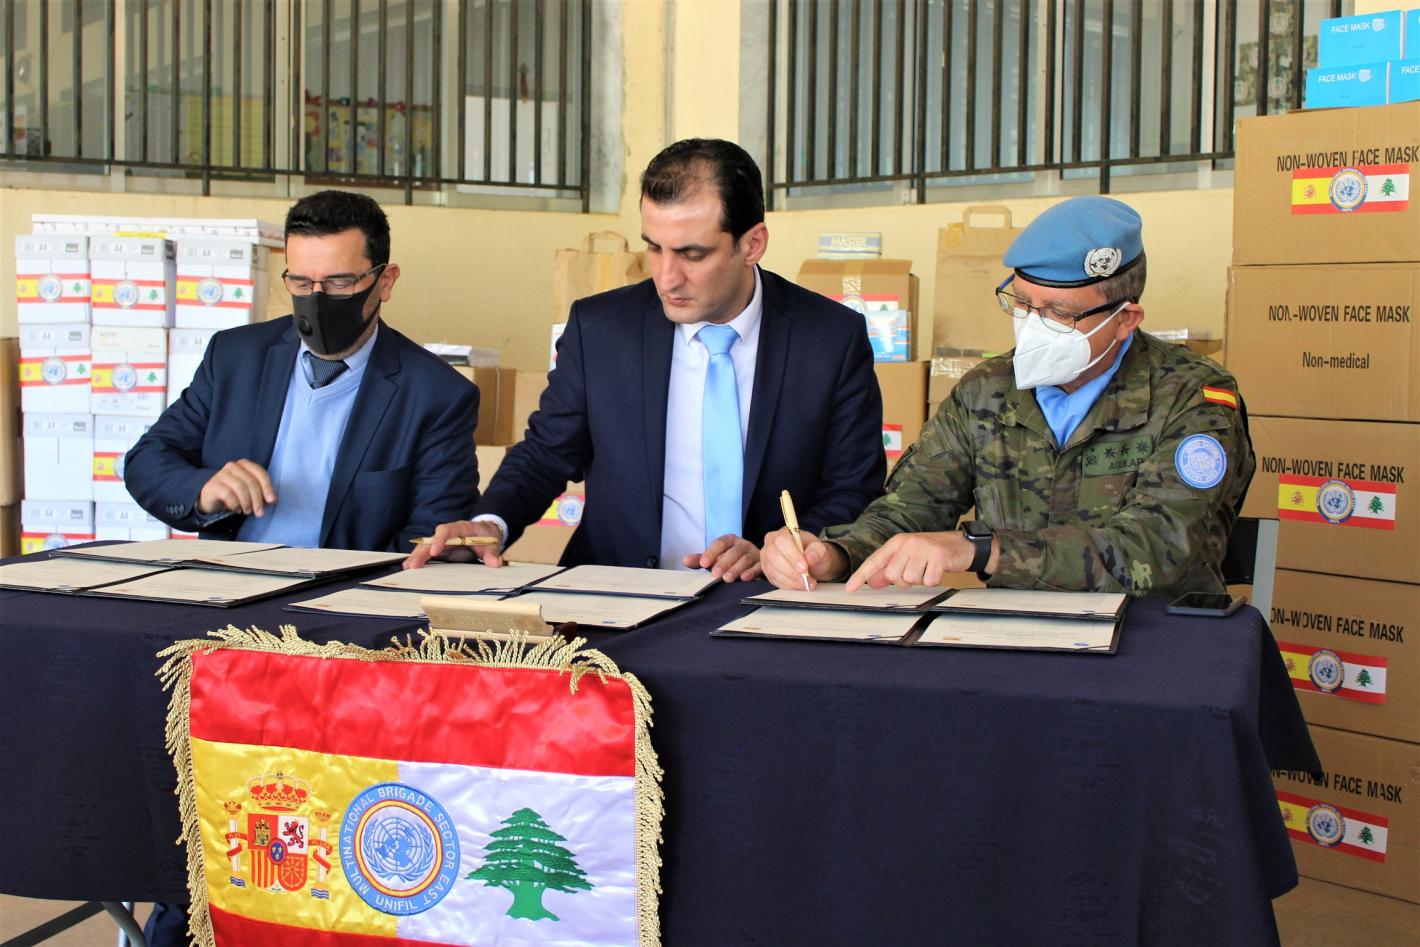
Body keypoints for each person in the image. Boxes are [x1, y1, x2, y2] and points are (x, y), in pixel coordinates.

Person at [407, 138, 885, 580]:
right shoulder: (600, 329)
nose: (666, 277)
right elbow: (546, 453)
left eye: (691, 254)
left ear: (752, 244)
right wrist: (490, 523)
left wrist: (781, 551)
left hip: (769, 600)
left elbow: (852, 490)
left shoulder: (830, 338)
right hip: (617, 595)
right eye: (654, 248)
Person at [762, 195, 1254, 599]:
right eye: (1021, 302)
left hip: (1155, 640)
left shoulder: (1193, 399)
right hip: (1017, 636)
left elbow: (1156, 549)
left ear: (1125, 319)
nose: (1032, 324)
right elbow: (911, 506)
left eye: (1058, 313)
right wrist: (835, 554)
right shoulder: (987, 390)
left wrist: (981, 549)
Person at [125, 189, 480, 552]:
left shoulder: (437, 395)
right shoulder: (236, 358)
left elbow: (433, 534)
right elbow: (147, 461)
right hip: (231, 574)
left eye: (339, 283)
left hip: (351, 583)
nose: (317, 299)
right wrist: (204, 490)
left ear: (385, 281)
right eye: (301, 283)